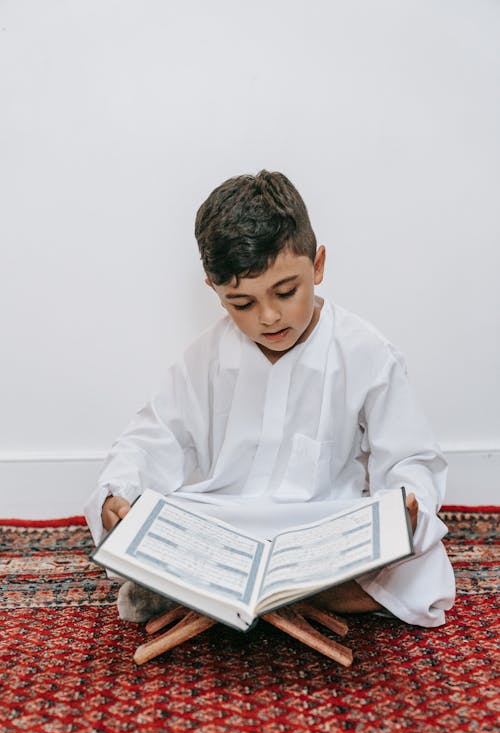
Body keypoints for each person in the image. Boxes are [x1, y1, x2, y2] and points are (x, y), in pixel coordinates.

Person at [85, 170, 455, 627]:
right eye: (242, 304)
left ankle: (214, 594)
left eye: (286, 291)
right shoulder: (205, 356)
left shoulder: (367, 353)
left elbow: (412, 458)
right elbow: (149, 437)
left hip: (325, 530)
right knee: (154, 525)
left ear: (317, 265)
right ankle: (288, 597)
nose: (269, 316)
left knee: (423, 565)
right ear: (214, 292)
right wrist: (117, 494)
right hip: (226, 524)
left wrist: (407, 504)